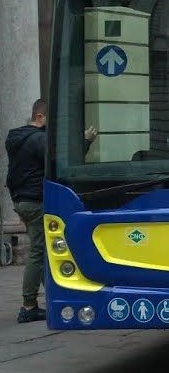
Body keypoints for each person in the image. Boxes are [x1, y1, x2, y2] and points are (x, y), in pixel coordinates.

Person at [5, 99, 96, 323]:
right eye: (50, 119)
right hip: (36, 202)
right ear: (40, 117)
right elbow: (61, 164)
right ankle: (28, 306)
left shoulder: (17, 138)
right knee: (37, 251)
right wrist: (85, 142)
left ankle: (56, 293)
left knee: (45, 249)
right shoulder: (39, 140)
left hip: (21, 200)